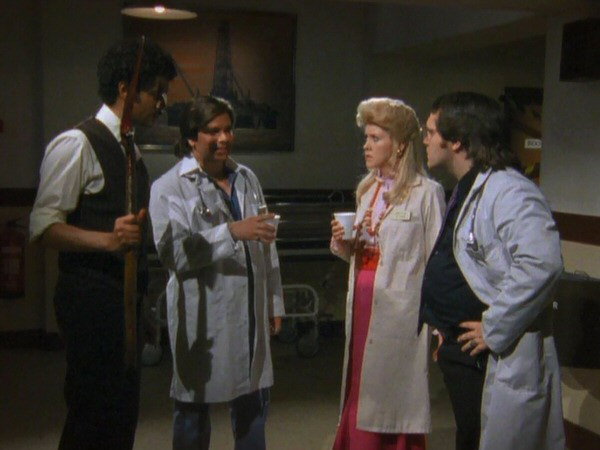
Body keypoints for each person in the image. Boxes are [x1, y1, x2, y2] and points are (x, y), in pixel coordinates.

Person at [29, 39, 177, 449]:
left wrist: (140, 307)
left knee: (120, 416)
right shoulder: (77, 144)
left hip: (122, 305)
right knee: (91, 415)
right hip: (90, 303)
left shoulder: (130, 149)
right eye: (157, 91)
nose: (162, 102)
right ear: (126, 88)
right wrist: (108, 240)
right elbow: (42, 226)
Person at [419, 92, 565, 450]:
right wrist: (444, 327)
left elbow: (542, 264)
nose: (425, 140)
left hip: (489, 354)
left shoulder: (511, 191)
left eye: (431, 131)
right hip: (462, 350)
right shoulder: (467, 187)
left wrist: (494, 327)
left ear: (456, 140)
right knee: (470, 437)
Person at [149, 95, 284, 450]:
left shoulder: (246, 178)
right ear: (191, 138)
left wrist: (274, 301)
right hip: (203, 316)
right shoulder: (169, 187)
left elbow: (266, 244)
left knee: (252, 405)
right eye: (213, 131)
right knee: (193, 408)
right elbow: (174, 253)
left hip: (249, 310)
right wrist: (232, 232)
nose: (224, 138)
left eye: (228, 130)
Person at [330, 97, 445, 450]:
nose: (366, 145)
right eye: (366, 137)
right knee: (361, 384)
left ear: (399, 145)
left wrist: (440, 323)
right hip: (364, 302)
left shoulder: (426, 194)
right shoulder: (368, 189)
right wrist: (345, 242)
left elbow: (437, 261)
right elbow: (364, 248)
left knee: (391, 393)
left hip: (401, 312)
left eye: (375, 138)